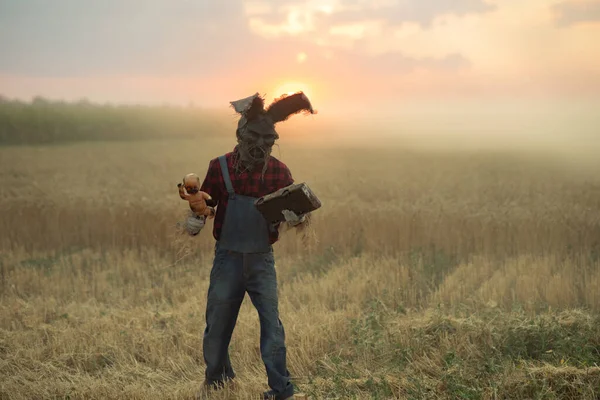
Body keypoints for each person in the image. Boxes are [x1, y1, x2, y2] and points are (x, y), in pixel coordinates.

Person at [187, 92, 316, 400]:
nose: (262, 145)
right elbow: (206, 203)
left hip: (261, 260)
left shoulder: (279, 172)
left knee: (272, 327)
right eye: (256, 137)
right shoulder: (218, 167)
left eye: (269, 140)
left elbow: (297, 214)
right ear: (241, 132)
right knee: (217, 322)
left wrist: (295, 218)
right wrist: (195, 218)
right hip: (227, 258)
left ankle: (280, 389)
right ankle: (217, 380)